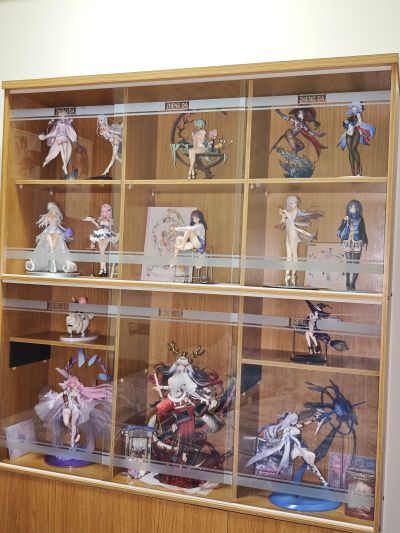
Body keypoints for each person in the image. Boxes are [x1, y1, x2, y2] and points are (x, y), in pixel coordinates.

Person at [246, 411, 329, 487]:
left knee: (312, 456)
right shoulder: (286, 429)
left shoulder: (295, 426)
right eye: (293, 419)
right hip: (292, 448)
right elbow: (283, 438)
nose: (295, 420)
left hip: (300, 446)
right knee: (305, 458)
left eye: (295, 419)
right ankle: (320, 477)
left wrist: (314, 418)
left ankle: (317, 474)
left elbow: (304, 424)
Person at [35, 370, 112, 450]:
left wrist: (84, 406)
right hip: (68, 407)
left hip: (75, 408)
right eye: (70, 383)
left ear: (76, 384)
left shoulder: (77, 392)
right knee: (66, 422)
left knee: (73, 423)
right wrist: (53, 400)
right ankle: (73, 431)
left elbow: (80, 401)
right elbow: (61, 395)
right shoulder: (67, 391)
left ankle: (72, 441)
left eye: (73, 383)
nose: (71, 384)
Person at [278, 196, 323, 286]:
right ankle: (287, 277)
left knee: (294, 257)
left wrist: (285, 213)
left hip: (293, 234)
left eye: (295, 202)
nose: (294, 204)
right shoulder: (288, 211)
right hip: (288, 236)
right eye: (291, 203)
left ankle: (293, 277)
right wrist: (282, 215)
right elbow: (282, 222)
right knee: (288, 257)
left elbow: (291, 221)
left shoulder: (294, 210)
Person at [25, 201, 77, 274]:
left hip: (56, 232)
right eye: (49, 208)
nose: (51, 209)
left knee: (59, 247)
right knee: (45, 247)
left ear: (55, 208)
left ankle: (59, 264)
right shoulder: (47, 216)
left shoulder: (57, 216)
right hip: (49, 231)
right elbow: (44, 223)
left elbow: (59, 225)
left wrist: (65, 231)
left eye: (52, 208)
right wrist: (41, 234)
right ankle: (39, 263)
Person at [337, 102, 376, 176]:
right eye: (352, 107)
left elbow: (359, 122)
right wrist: (345, 123)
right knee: (350, 150)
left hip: (356, 130)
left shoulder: (358, 114)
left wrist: (355, 122)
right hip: (348, 132)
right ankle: (353, 169)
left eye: (355, 107)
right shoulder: (349, 114)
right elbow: (346, 125)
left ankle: (358, 167)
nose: (353, 108)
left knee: (354, 148)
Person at [337, 199, 368, 290]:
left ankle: (353, 283)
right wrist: (344, 222)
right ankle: (347, 280)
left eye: (354, 207)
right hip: (347, 241)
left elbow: (363, 231)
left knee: (355, 263)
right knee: (349, 262)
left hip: (357, 241)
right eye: (350, 207)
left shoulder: (360, 220)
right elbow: (340, 230)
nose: (352, 208)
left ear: (358, 208)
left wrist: (365, 241)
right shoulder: (345, 219)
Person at [83, 203, 119, 276]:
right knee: (101, 252)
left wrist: (92, 221)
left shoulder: (110, 220)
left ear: (109, 212)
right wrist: (92, 221)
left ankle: (102, 269)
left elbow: (104, 227)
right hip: (100, 234)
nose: (104, 213)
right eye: (103, 211)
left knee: (102, 252)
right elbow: (98, 226)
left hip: (106, 235)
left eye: (106, 211)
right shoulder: (101, 219)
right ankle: (104, 270)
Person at [38, 112, 77, 177]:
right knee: (61, 148)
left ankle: (65, 165)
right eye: (61, 117)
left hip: (64, 139)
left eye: (64, 117)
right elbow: (53, 133)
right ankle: (64, 166)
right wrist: (45, 137)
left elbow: (70, 132)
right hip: (58, 139)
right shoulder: (58, 124)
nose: (62, 118)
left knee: (64, 149)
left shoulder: (66, 125)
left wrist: (68, 124)